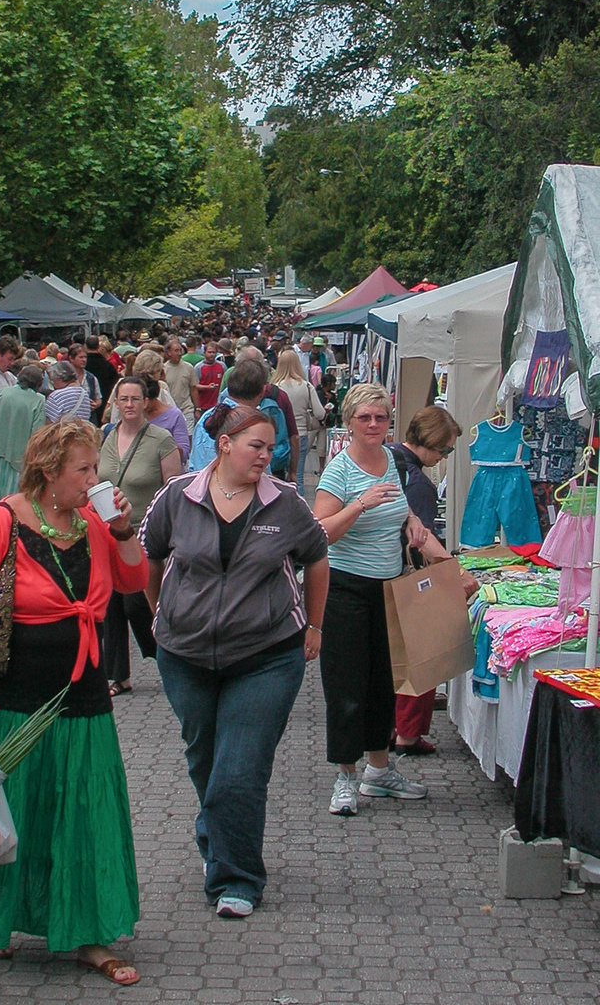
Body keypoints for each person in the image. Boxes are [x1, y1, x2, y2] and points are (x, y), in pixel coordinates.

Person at [0, 419, 148, 985]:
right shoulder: (1, 521)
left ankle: (90, 934)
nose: (96, 479)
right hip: (11, 699)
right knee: (7, 813)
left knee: (85, 813)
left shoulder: (95, 523)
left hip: (83, 694)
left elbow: (133, 580)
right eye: (85, 470)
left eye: (98, 469)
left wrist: (123, 531)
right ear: (49, 473)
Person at [140, 404, 329, 917]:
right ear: (224, 444)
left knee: (240, 767)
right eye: (257, 447)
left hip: (266, 655)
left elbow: (317, 555)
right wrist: (162, 615)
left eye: (271, 448)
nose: (267, 457)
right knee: (205, 756)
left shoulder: (286, 503)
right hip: (184, 655)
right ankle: (218, 839)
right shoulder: (178, 496)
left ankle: (237, 878)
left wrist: (314, 625)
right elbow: (150, 556)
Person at [313, 383, 430, 814]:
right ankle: (345, 776)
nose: (374, 425)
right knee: (347, 685)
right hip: (344, 587)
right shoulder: (339, 472)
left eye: (381, 417)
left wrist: (413, 523)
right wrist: (359, 503)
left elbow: (401, 508)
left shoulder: (395, 459)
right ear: (349, 422)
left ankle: (379, 771)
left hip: (388, 585)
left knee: (384, 680)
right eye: (365, 418)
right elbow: (320, 531)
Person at [99, 377, 182, 694]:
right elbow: (99, 479)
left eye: (135, 398)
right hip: (111, 532)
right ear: (116, 403)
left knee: (137, 603)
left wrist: (169, 533)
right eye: (124, 399)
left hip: (146, 533)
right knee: (111, 606)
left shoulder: (161, 439)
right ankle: (116, 675)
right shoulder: (107, 435)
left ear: (146, 402)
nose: (130, 404)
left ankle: (165, 656)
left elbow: (172, 489)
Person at [388, 405, 464, 753]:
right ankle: (408, 733)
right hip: (407, 576)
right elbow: (421, 540)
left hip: (376, 571)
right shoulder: (419, 483)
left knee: (393, 659)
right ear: (430, 443)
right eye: (444, 449)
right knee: (422, 655)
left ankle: (392, 728)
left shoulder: (387, 459)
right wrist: (451, 570)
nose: (444, 456)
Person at [189, 360, 289, 476]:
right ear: (262, 391)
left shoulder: (207, 417)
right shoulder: (255, 423)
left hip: (202, 485)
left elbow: (194, 461)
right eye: (257, 446)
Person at [0, 366, 47, 502]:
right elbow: (37, 433)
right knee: (11, 500)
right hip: (18, 457)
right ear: (39, 384)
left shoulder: (1, 393)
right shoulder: (38, 400)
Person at [271, 349, 326, 498]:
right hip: (301, 434)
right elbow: (320, 413)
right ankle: (299, 510)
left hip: (279, 436)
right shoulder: (306, 386)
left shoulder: (275, 387)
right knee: (298, 477)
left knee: (276, 478)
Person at [163, 337, 200, 434]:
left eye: (180, 350)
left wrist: (197, 409)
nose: (179, 353)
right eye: (176, 351)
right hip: (170, 410)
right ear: (169, 353)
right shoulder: (163, 369)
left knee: (188, 436)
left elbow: (193, 389)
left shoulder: (188, 368)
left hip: (186, 408)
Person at [84, 335, 120, 410]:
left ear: (86, 346)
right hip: (105, 402)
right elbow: (115, 384)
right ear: (98, 346)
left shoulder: (82, 365)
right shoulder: (108, 365)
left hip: (86, 404)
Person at [68, 345, 102, 424]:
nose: (84, 360)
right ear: (71, 358)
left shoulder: (91, 378)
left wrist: (95, 405)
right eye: (81, 357)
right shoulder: (65, 377)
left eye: (85, 357)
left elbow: (98, 398)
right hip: (70, 421)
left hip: (89, 421)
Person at [195, 340, 225, 411]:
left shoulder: (222, 366)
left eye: (213, 352)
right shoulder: (198, 367)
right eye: (209, 352)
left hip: (218, 404)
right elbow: (194, 386)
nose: (212, 354)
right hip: (203, 405)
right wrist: (207, 387)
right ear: (204, 353)